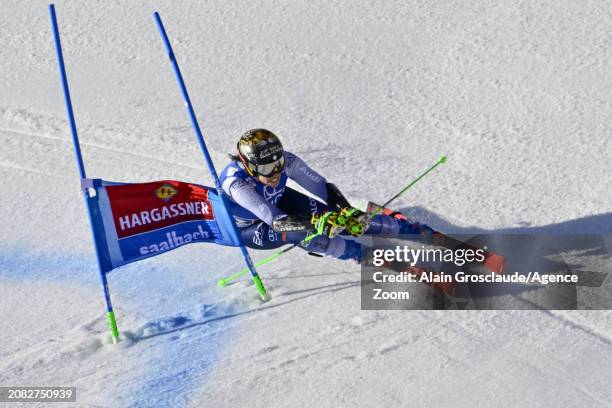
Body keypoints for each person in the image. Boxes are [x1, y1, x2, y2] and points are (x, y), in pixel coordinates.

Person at [219, 129, 432, 261]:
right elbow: (275, 220)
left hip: (279, 200)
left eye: (278, 164)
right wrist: (316, 223)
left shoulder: (286, 161)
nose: (275, 173)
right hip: (252, 227)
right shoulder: (236, 183)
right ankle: (357, 254)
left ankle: (404, 228)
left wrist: (346, 210)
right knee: (302, 232)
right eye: (266, 169)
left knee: (335, 215)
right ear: (248, 166)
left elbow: (320, 185)